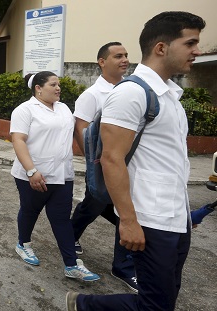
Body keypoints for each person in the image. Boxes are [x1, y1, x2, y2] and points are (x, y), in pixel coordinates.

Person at [66, 11, 205, 311]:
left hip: (175, 218)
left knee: (165, 298)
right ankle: (84, 304)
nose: (197, 50)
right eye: (190, 42)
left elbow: (168, 162)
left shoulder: (170, 97)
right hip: (150, 219)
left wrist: (185, 212)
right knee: (155, 306)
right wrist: (127, 221)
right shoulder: (132, 93)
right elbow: (111, 159)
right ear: (161, 48)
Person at [10, 71, 100, 282]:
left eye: (58, 84)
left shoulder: (63, 108)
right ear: (38, 88)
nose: (58, 88)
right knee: (30, 211)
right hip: (32, 175)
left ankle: (72, 265)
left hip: (62, 175)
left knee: (61, 219)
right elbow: (18, 140)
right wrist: (31, 171)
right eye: (53, 84)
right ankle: (23, 244)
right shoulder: (25, 110)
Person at [71, 42, 137, 292]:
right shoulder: (92, 95)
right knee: (93, 205)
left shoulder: (131, 90)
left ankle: (123, 264)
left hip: (127, 164)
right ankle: (70, 235)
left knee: (122, 209)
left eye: (126, 55)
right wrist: (91, 165)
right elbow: (82, 129)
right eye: (118, 56)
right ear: (101, 62)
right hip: (101, 165)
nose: (124, 59)